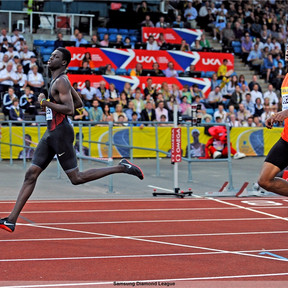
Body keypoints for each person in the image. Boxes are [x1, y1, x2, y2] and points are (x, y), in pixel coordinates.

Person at [0, 47, 144, 233]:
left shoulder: (62, 82)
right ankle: (11, 220)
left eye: (56, 57)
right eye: (51, 55)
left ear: (64, 63)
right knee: (31, 174)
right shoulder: (57, 80)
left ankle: (122, 167)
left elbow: (69, 109)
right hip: (50, 133)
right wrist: (50, 104)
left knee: (76, 178)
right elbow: (79, 104)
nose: (51, 58)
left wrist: (44, 103)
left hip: (60, 133)